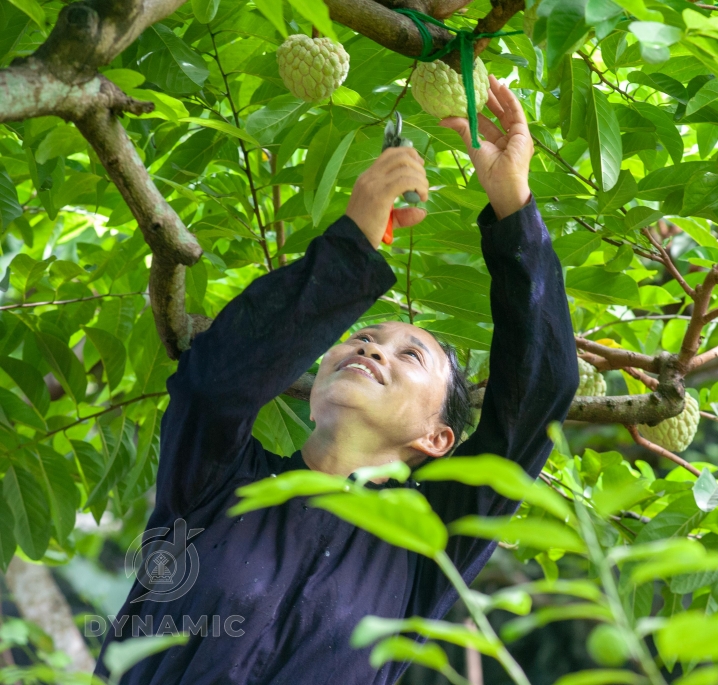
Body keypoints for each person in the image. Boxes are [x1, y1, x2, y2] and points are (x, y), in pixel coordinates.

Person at [94, 76, 579, 684]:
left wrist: (514, 206)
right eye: (363, 337)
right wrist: (354, 239)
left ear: (437, 439)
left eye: (411, 356)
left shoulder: (427, 543)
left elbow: (539, 394)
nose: (373, 348)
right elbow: (214, 383)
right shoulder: (218, 482)